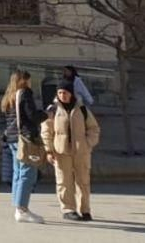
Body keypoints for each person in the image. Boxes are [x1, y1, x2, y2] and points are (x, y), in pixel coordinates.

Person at [41, 82, 100, 222]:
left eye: (65, 93)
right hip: (61, 152)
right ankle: (68, 209)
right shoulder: (53, 109)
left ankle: (85, 210)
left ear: (71, 93)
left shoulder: (82, 109)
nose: (63, 95)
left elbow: (94, 128)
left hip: (81, 151)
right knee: (64, 181)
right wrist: (49, 150)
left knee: (83, 181)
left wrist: (88, 143)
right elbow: (46, 131)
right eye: (60, 93)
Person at [1, 69, 46, 223]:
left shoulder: (9, 96)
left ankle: (18, 207)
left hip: (13, 139)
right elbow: (32, 116)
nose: (30, 82)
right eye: (29, 79)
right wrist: (46, 114)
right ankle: (22, 209)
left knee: (18, 173)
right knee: (28, 173)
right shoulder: (25, 93)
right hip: (25, 139)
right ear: (24, 80)